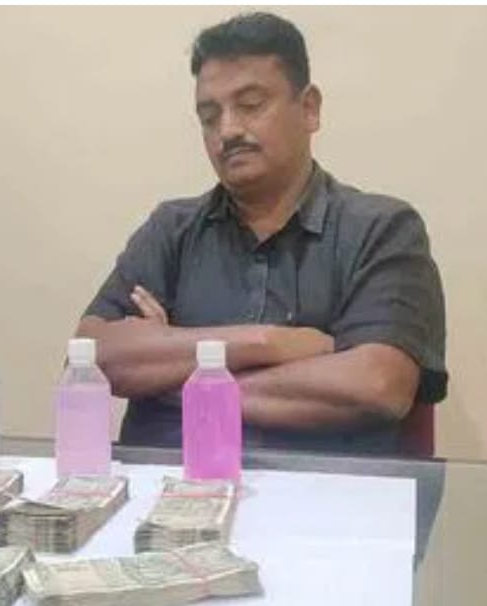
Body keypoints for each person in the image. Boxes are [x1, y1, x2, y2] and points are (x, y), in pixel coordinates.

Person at [77, 12, 448, 454]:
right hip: (169, 484)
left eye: (250, 105)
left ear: (309, 108)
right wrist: (272, 343)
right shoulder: (171, 229)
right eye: (209, 116)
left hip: (322, 489)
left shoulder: (381, 229)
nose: (227, 130)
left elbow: (377, 384)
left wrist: (173, 374)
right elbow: (90, 357)